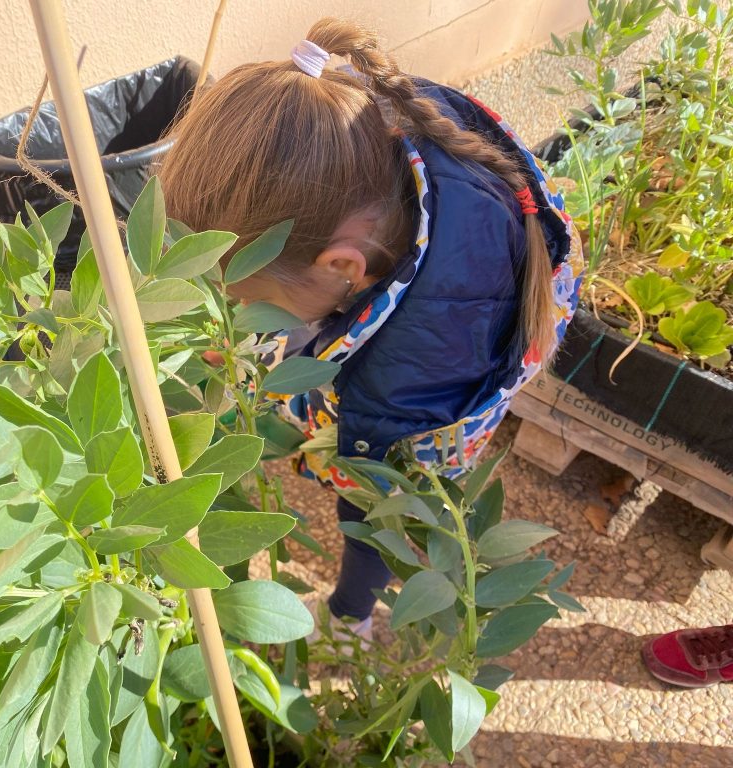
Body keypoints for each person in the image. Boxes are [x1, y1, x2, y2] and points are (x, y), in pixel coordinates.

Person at [158, 18, 584, 637]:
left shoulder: (406, 383)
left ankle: (352, 616)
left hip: (436, 402)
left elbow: (359, 455)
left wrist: (263, 388)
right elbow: (316, 308)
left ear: (342, 269)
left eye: (250, 302)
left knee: (380, 513)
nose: (239, 314)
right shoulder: (368, 134)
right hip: (459, 294)